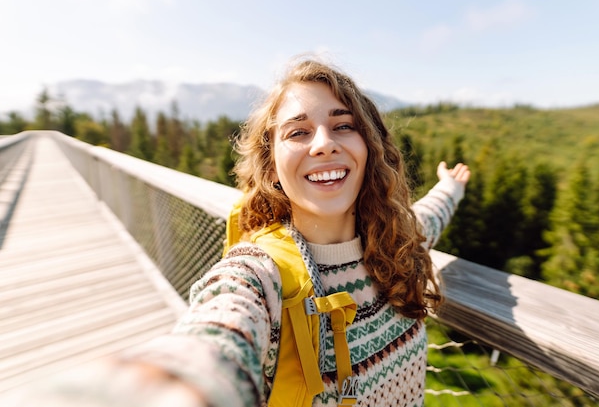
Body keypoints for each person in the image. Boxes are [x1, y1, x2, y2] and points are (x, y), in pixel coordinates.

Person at [12, 59, 470, 407]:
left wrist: (450, 185)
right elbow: (217, 335)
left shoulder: (398, 241)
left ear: (368, 147)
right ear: (272, 165)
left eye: (342, 125)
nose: (323, 142)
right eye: (298, 132)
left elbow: (427, 214)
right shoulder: (259, 273)